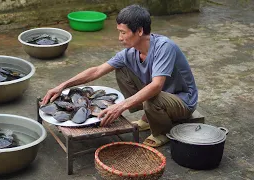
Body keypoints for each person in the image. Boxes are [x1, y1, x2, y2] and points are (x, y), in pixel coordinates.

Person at [42, 4, 198, 147]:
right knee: (121, 69)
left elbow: (156, 86)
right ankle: (150, 115)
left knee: (153, 97)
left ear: (139, 31)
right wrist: (63, 85)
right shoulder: (130, 53)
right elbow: (97, 70)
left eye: (123, 32)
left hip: (183, 101)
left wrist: (120, 107)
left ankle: (162, 132)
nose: (119, 38)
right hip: (161, 96)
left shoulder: (164, 47)